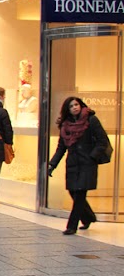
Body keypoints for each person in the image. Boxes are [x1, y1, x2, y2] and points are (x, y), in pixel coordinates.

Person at [48, 97, 111, 235]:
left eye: (76, 104)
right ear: (68, 110)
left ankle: (72, 226)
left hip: (87, 163)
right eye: (71, 106)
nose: (75, 107)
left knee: (80, 193)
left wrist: (92, 156)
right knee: (73, 191)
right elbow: (61, 148)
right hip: (72, 163)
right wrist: (52, 164)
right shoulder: (66, 125)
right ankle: (88, 217)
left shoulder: (91, 120)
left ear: (81, 105)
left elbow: (102, 141)